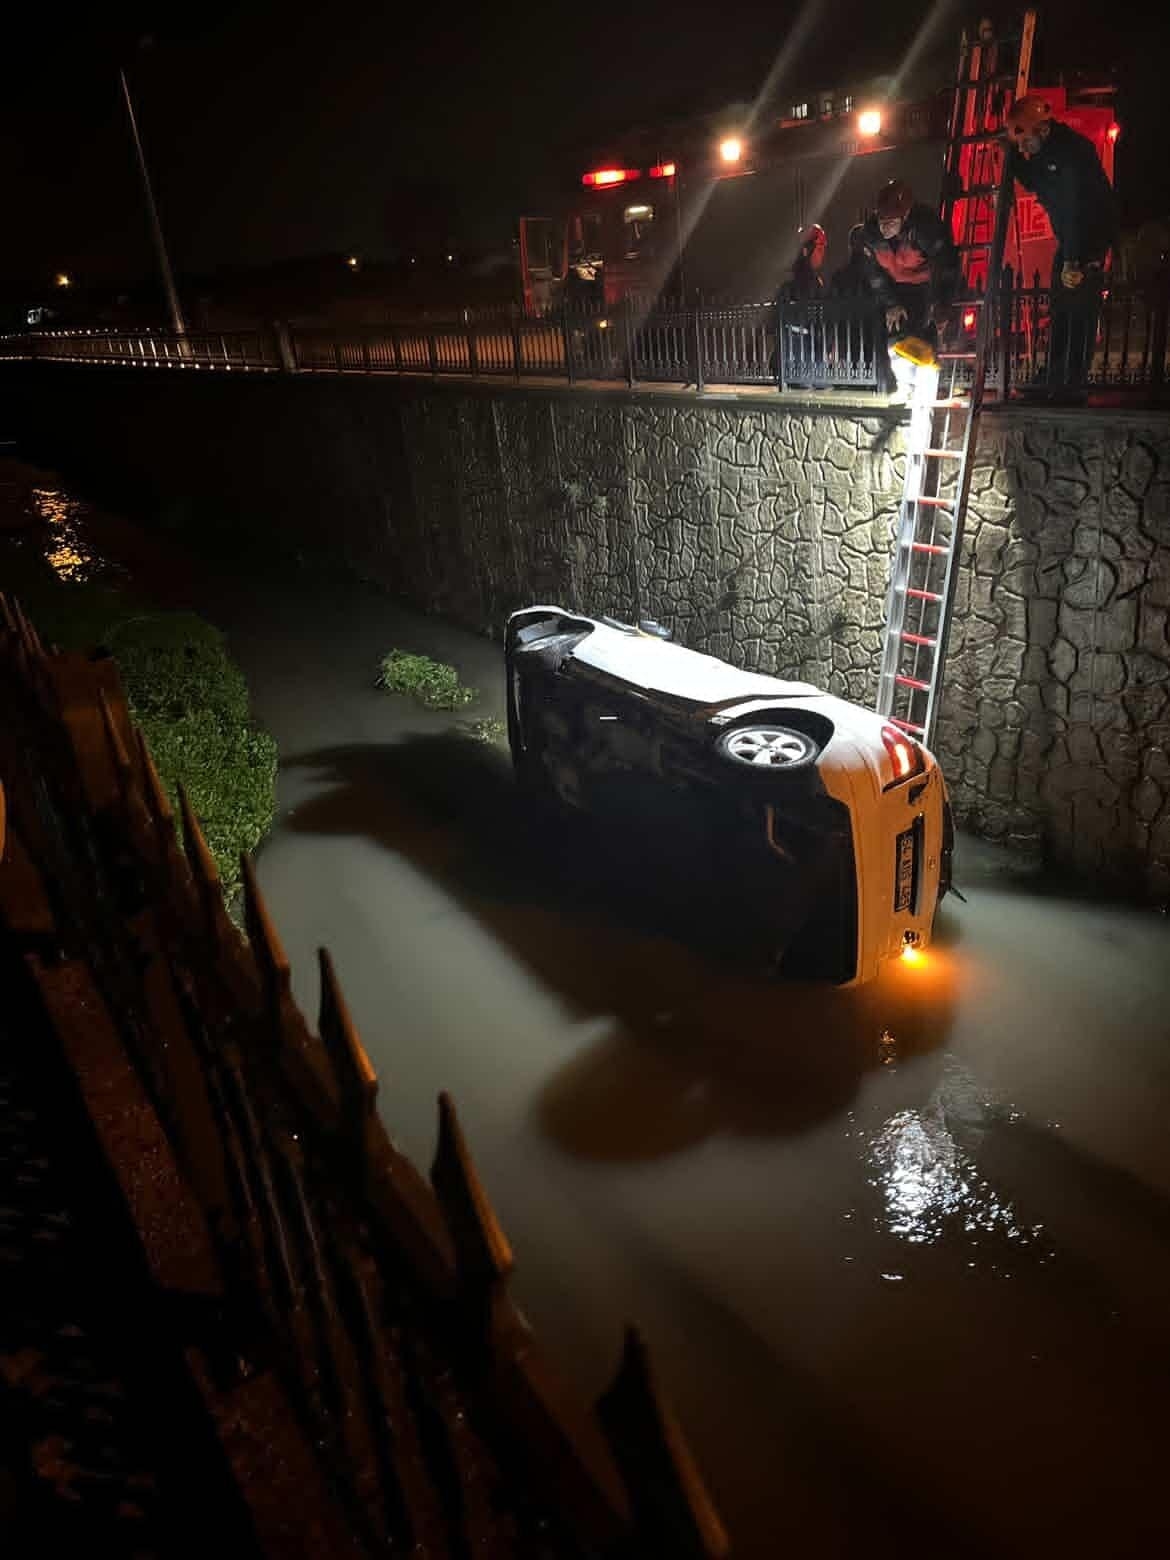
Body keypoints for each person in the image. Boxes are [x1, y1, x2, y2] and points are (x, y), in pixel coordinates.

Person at [1004, 95, 1118, 393]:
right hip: (1072, 238)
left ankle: (1071, 383)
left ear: (1042, 130)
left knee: (1078, 309)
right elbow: (1034, 181)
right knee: (1061, 307)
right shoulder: (1046, 154)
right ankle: (1054, 378)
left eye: (1024, 141)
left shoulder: (1070, 153)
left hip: (1087, 239)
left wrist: (1074, 260)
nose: (1023, 148)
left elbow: (1073, 208)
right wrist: (1012, 157)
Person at [860, 179, 960, 397]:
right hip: (894, 289)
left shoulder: (925, 228)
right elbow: (873, 274)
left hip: (925, 287)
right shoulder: (871, 235)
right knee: (894, 337)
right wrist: (890, 304)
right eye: (881, 221)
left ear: (905, 217)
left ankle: (930, 385)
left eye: (891, 222)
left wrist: (941, 303)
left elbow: (945, 266)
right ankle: (902, 384)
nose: (885, 228)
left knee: (925, 335)